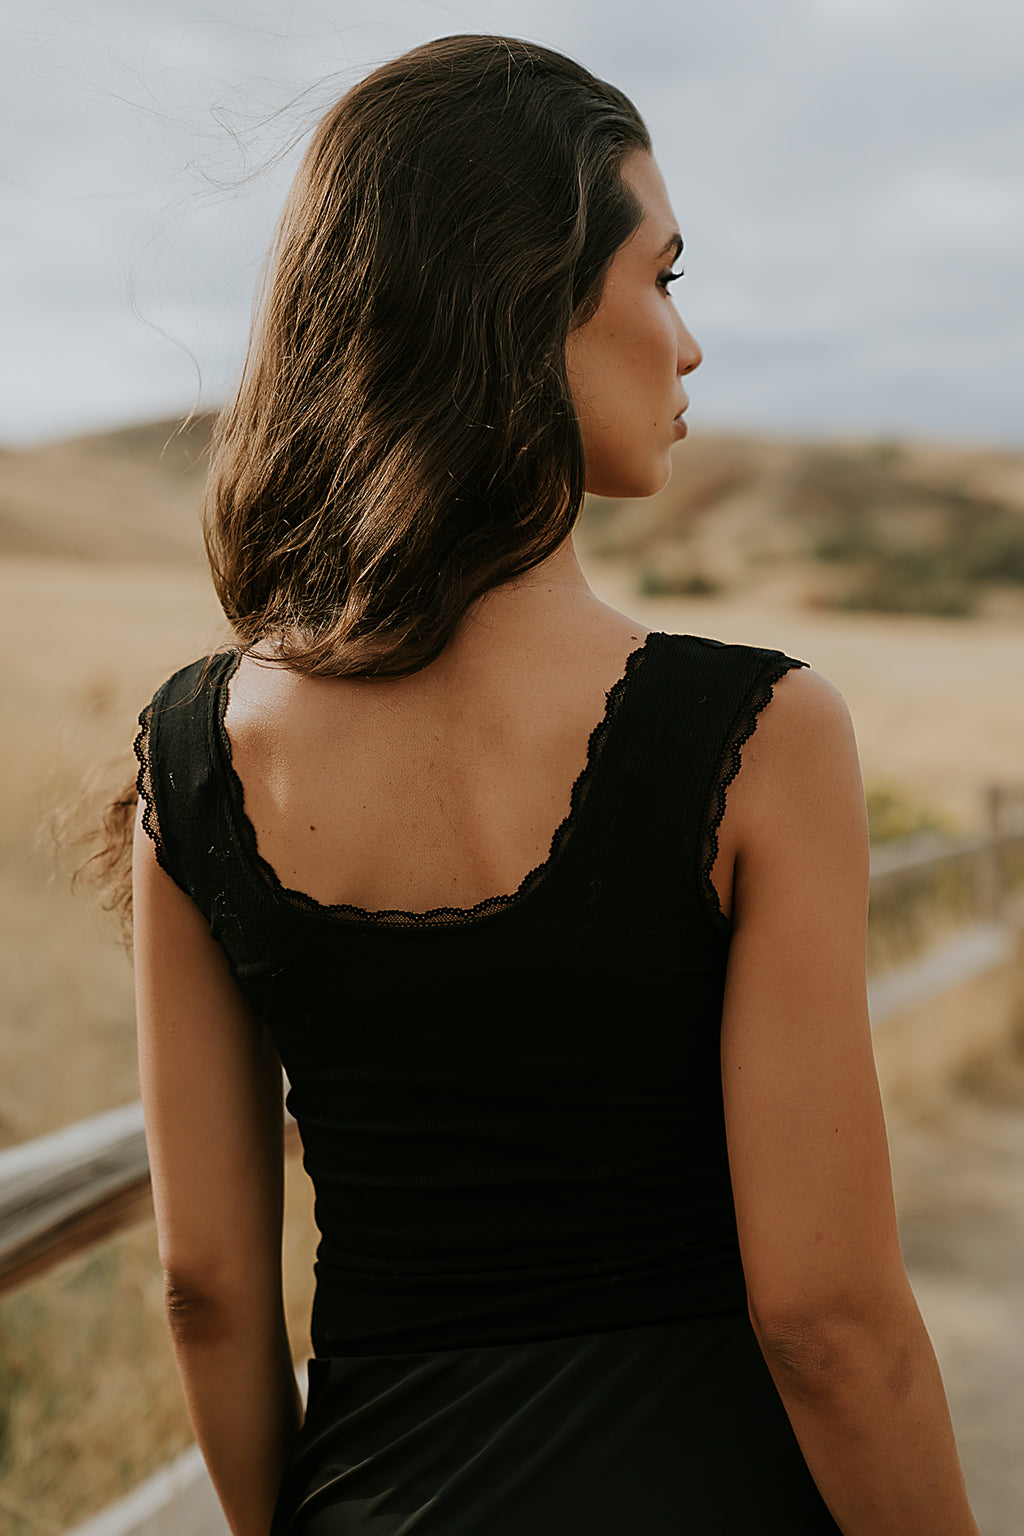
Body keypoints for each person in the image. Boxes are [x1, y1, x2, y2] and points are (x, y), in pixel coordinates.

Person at [127, 34, 980, 1536]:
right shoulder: (763, 736)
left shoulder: (196, 754)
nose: (690, 342)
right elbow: (828, 1323)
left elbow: (204, 1291)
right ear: (529, 305)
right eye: (661, 278)